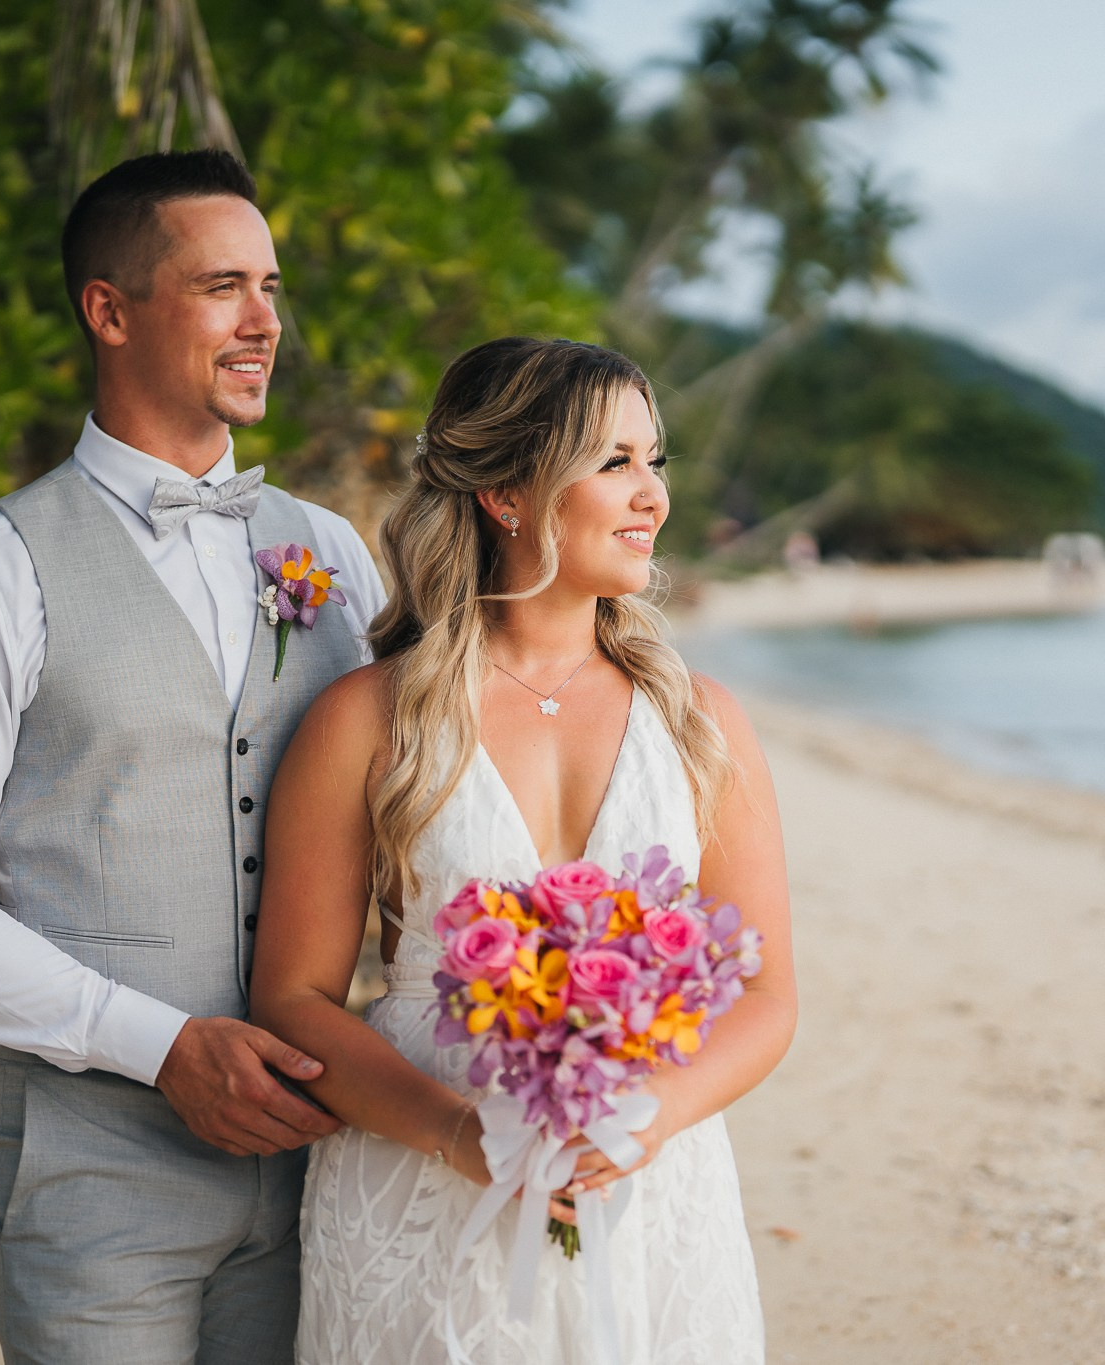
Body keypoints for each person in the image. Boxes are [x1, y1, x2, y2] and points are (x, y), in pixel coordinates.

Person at [0, 149, 384, 1362]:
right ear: (108, 309)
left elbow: (407, 812)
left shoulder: (334, 554)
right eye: (222, 289)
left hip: (318, 1166)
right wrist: (163, 1047)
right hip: (93, 1176)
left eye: (271, 286)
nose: (267, 323)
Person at [248, 337, 796, 1363]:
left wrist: (641, 1118)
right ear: (505, 491)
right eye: (614, 462)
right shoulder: (367, 720)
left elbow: (763, 997)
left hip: (646, 1182)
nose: (651, 497)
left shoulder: (699, 722)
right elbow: (294, 997)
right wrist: (459, 1133)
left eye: (655, 463)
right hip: (420, 1179)